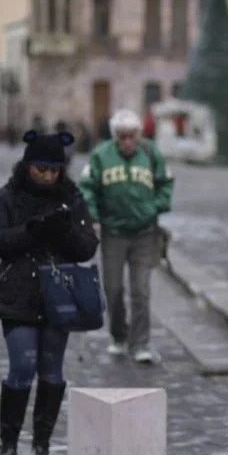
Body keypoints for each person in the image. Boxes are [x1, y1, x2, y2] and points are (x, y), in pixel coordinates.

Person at [0, 130, 99, 455]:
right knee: (21, 366)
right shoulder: (9, 196)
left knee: (51, 369)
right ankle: (9, 444)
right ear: (28, 165)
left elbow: (87, 246)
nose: (48, 176)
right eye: (41, 169)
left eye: (54, 170)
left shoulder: (71, 197)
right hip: (18, 294)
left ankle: (42, 443)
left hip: (58, 296)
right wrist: (30, 231)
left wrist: (63, 231)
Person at [78, 108, 174, 364]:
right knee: (114, 288)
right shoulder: (101, 155)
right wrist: (94, 217)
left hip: (145, 233)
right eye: (122, 136)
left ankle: (140, 342)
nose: (128, 142)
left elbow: (166, 182)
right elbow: (87, 188)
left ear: (138, 135)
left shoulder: (151, 152)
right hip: (113, 233)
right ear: (114, 136)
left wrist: (155, 207)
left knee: (141, 290)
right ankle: (118, 335)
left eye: (132, 136)